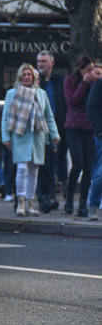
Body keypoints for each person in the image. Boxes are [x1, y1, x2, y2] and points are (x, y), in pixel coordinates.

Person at [2, 63, 60, 217]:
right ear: (20, 77)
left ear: (33, 77)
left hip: (38, 136)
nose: (27, 77)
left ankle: (30, 203)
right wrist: (6, 137)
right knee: (22, 169)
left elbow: (49, 116)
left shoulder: (41, 93)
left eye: (29, 75)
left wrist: (54, 135)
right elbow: (6, 117)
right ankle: (20, 201)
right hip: (20, 135)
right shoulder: (12, 93)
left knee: (34, 172)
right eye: (24, 74)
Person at [63, 55, 97, 217]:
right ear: (80, 69)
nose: (91, 73)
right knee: (78, 163)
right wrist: (84, 83)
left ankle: (83, 203)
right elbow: (72, 101)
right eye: (88, 70)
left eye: (93, 69)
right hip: (74, 127)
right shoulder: (70, 81)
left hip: (90, 128)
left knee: (89, 166)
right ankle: (69, 196)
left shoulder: (96, 83)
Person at [37, 50, 68, 198]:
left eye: (44, 61)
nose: (40, 64)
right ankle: (46, 194)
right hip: (41, 128)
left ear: (52, 63)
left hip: (60, 125)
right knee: (45, 163)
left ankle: (63, 187)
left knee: (60, 158)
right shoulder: (36, 82)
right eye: (39, 61)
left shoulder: (60, 81)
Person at [85, 67, 102, 220]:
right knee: (100, 173)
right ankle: (94, 205)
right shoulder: (99, 84)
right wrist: (99, 130)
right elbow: (91, 107)